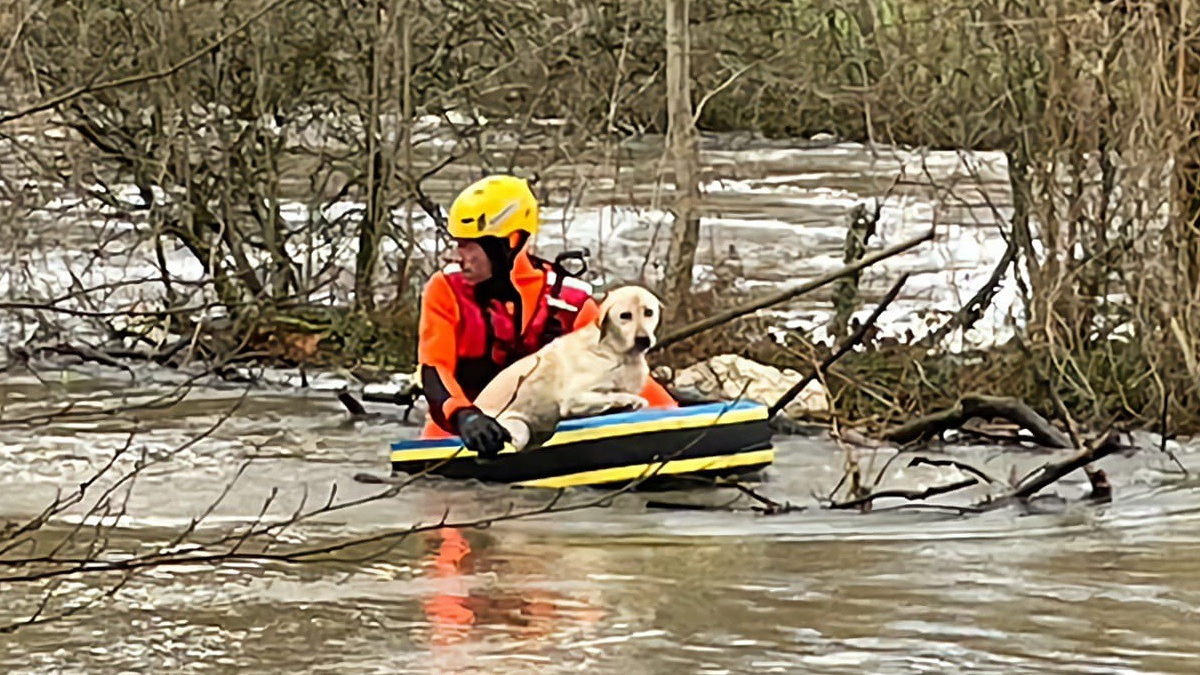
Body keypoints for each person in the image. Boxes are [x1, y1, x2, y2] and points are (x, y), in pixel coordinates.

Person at [417, 173, 677, 456]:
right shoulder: (445, 289)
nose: (455, 256)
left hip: (540, 432)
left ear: (511, 241)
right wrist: (464, 415)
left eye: (468, 245)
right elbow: (434, 368)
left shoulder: (570, 300)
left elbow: (622, 364)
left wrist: (671, 416)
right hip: (457, 435)